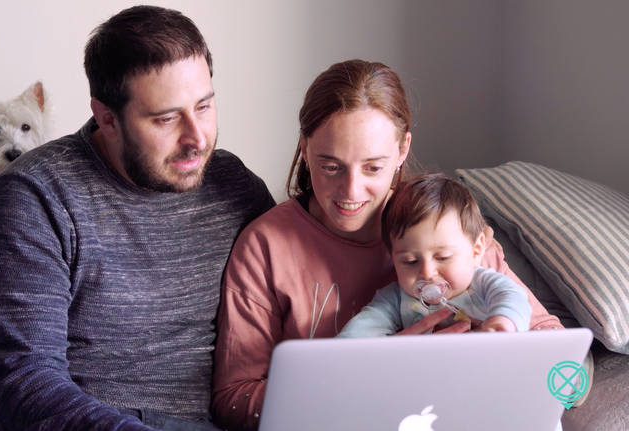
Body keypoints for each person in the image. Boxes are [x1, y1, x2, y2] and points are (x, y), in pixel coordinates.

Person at [0, 6, 274, 431]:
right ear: (108, 117)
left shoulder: (236, 188)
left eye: (204, 106)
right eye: (166, 118)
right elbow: (20, 380)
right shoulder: (33, 196)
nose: (197, 139)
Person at [211, 59, 563, 431]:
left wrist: (491, 348)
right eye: (330, 166)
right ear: (304, 147)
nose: (350, 192)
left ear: (402, 150)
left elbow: (564, 362)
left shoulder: (449, 235)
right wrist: (367, 376)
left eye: (373, 167)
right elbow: (233, 401)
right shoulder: (266, 247)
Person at [337, 173, 532, 338]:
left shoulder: (484, 284)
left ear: (476, 251)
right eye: (410, 261)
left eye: (443, 257)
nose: (427, 272)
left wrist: (503, 322)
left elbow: (512, 297)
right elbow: (362, 330)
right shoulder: (395, 299)